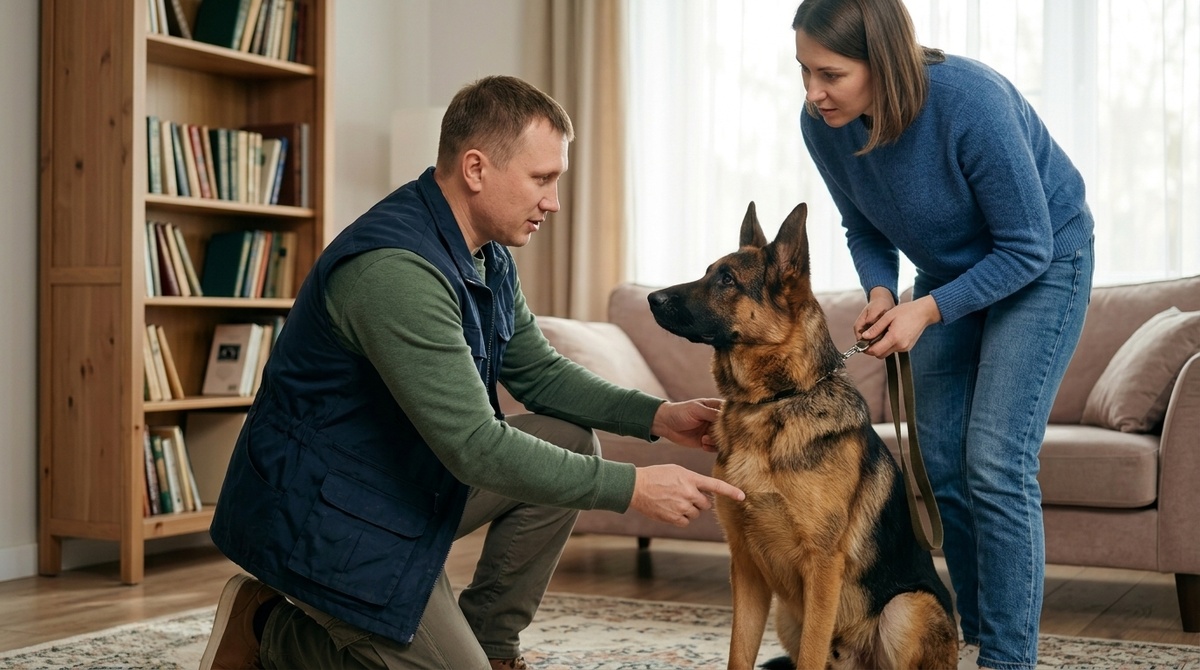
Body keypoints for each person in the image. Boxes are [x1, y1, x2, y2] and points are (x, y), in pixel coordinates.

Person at [198, 75, 745, 670]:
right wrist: (632, 487)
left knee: (566, 440)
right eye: (543, 179)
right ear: (476, 168)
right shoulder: (396, 272)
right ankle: (267, 628)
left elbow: (539, 374)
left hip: (391, 483)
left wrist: (658, 416)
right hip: (318, 513)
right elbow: (475, 447)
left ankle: (490, 649)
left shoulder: (487, 254)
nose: (553, 202)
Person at [791, 1, 1094, 669]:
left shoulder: (970, 103)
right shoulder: (824, 127)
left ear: (884, 64)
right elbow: (863, 227)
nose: (814, 93)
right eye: (804, 72)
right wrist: (879, 292)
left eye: (831, 74)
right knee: (941, 467)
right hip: (947, 271)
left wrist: (925, 311)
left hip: (1043, 265)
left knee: (995, 462)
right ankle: (981, 636)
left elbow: (1027, 247)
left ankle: (1009, 661)